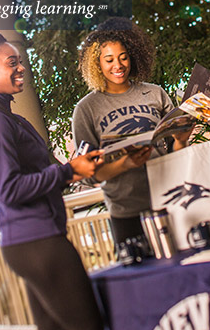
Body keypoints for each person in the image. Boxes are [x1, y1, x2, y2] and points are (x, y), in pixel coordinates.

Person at [0, 31, 105, 330]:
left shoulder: (1, 117)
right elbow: (8, 189)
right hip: (37, 242)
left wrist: (71, 167)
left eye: (19, 60)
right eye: (12, 62)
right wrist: (67, 171)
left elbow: (37, 174)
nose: (20, 68)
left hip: (29, 241)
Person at [72, 17, 187, 243]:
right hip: (127, 211)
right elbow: (87, 173)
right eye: (109, 59)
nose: (118, 65)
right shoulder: (86, 109)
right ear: (97, 64)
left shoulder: (156, 94)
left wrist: (182, 140)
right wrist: (126, 163)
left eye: (123, 57)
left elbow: (176, 150)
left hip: (171, 200)